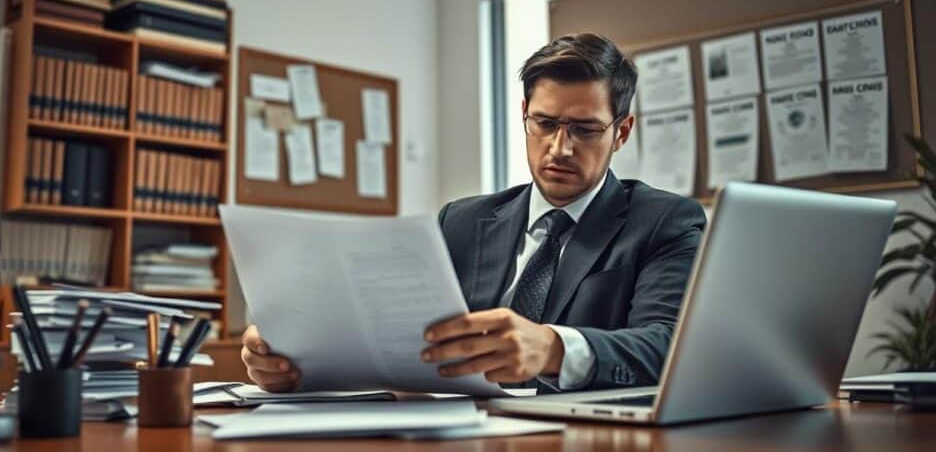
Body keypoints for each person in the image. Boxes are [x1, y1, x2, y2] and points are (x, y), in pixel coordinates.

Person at [241, 33, 706, 392]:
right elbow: (390, 339)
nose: (560, 147)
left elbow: (670, 347)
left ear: (621, 132)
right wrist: (294, 364)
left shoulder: (664, 222)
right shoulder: (460, 222)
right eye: (544, 123)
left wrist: (554, 348)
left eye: (585, 129)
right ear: (524, 113)